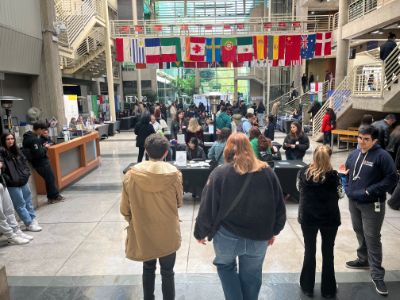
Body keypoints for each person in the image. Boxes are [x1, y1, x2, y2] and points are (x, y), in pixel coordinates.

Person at [194, 133, 286, 300]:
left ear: (227, 149)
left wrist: (200, 232)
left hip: (227, 236)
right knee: (252, 276)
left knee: (225, 267)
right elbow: (279, 206)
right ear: (250, 147)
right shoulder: (267, 173)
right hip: (259, 236)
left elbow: (207, 206)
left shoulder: (219, 173)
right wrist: (274, 230)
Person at [120, 134, 183, 300]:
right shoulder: (174, 174)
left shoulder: (131, 175)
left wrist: (134, 220)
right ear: (165, 153)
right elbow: (179, 202)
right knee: (168, 272)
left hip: (144, 231)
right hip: (168, 231)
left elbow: (124, 209)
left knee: (148, 268)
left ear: (146, 151)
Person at [342, 125, 397, 296]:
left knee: (372, 237)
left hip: (372, 204)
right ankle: (363, 259)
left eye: (366, 139)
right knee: (359, 231)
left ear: (375, 140)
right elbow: (348, 171)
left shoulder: (382, 156)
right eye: (360, 138)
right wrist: (347, 185)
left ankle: (377, 275)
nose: (362, 142)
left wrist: (369, 191)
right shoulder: (354, 153)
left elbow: (391, 179)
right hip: (354, 201)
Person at [297, 145, 344, 298]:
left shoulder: (302, 173)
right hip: (329, 219)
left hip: (308, 217)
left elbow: (298, 189)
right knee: (328, 252)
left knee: (309, 251)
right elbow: (341, 194)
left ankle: (307, 287)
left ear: (314, 157)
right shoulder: (334, 176)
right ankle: (328, 290)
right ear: (329, 158)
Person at [0, 133, 42, 232]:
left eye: (12, 139)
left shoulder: (17, 151)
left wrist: (26, 173)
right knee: (20, 204)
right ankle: (28, 223)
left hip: (23, 180)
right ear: (3, 140)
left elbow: (24, 162)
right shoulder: (2, 152)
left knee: (28, 201)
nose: (10, 141)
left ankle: (32, 219)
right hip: (12, 184)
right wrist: (8, 179)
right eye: (8, 139)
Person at [22, 121, 64, 204]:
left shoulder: (28, 137)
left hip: (38, 163)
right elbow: (39, 153)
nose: (42, 132)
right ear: (38, 129)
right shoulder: (33, 139)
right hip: (41, 163)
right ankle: (53, 197)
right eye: (42, 130)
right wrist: (45, 148)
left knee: (50, 179)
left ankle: (53, 196)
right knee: (50, 179)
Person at [0, 175, 33, 245]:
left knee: (9, 210)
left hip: (1, 181)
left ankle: (16, 231)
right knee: (0, 216)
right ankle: (11, 236)